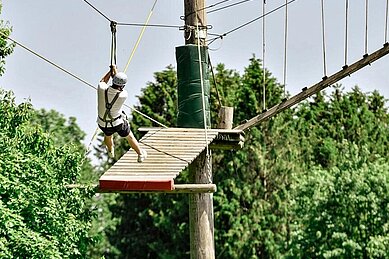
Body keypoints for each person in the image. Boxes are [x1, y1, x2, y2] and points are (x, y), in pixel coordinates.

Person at [97, 65, 147, 162]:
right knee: (129, 136)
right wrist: (115, 70)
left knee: (108, 136)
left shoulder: (101, 89)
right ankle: (140, 154)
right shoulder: (123, 95)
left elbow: (103, 81)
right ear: (123, 85)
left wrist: (110, 71)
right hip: (117, 123)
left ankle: (111, 150)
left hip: (103, 123)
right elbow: (118, 86)